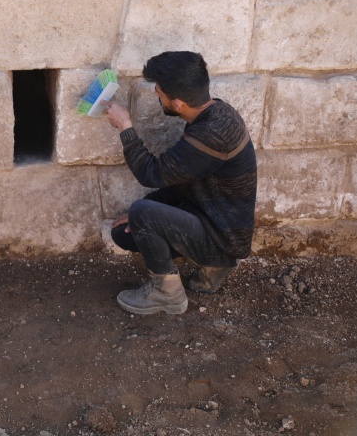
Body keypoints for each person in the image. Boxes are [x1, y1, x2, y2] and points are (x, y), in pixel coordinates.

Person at [105, 51, 256, 316]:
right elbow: (179, 178)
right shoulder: (216, 113)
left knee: (142, 213)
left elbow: (151, 174)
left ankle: (168, 294)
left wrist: (125, 127)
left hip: (222, 236)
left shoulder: (211, 135)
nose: (156, 95)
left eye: (160, 94)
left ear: (178, 103)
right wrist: (146, 211)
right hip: (212, 218)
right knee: (127, 229)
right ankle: (213, 266)